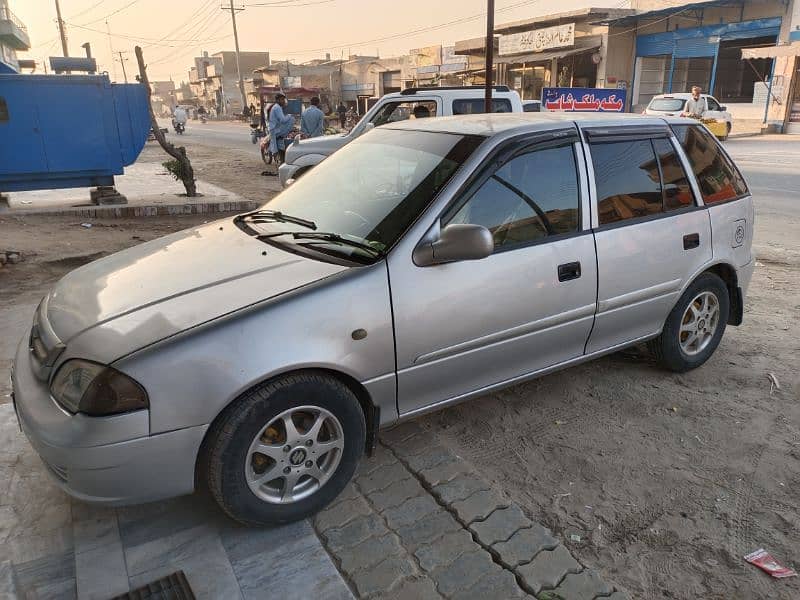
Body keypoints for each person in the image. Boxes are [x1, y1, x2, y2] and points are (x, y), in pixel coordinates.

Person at [268, 92, 295, 165]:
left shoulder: (277, 107)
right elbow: (283, 120)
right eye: (282, 99)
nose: (283, 101)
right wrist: (289, 115)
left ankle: (277, 157)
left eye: (284, 99)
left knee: (275, 148)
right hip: (275, 130)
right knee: (292, 118)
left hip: (274, 129)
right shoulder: (277, 107)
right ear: (277, 100)